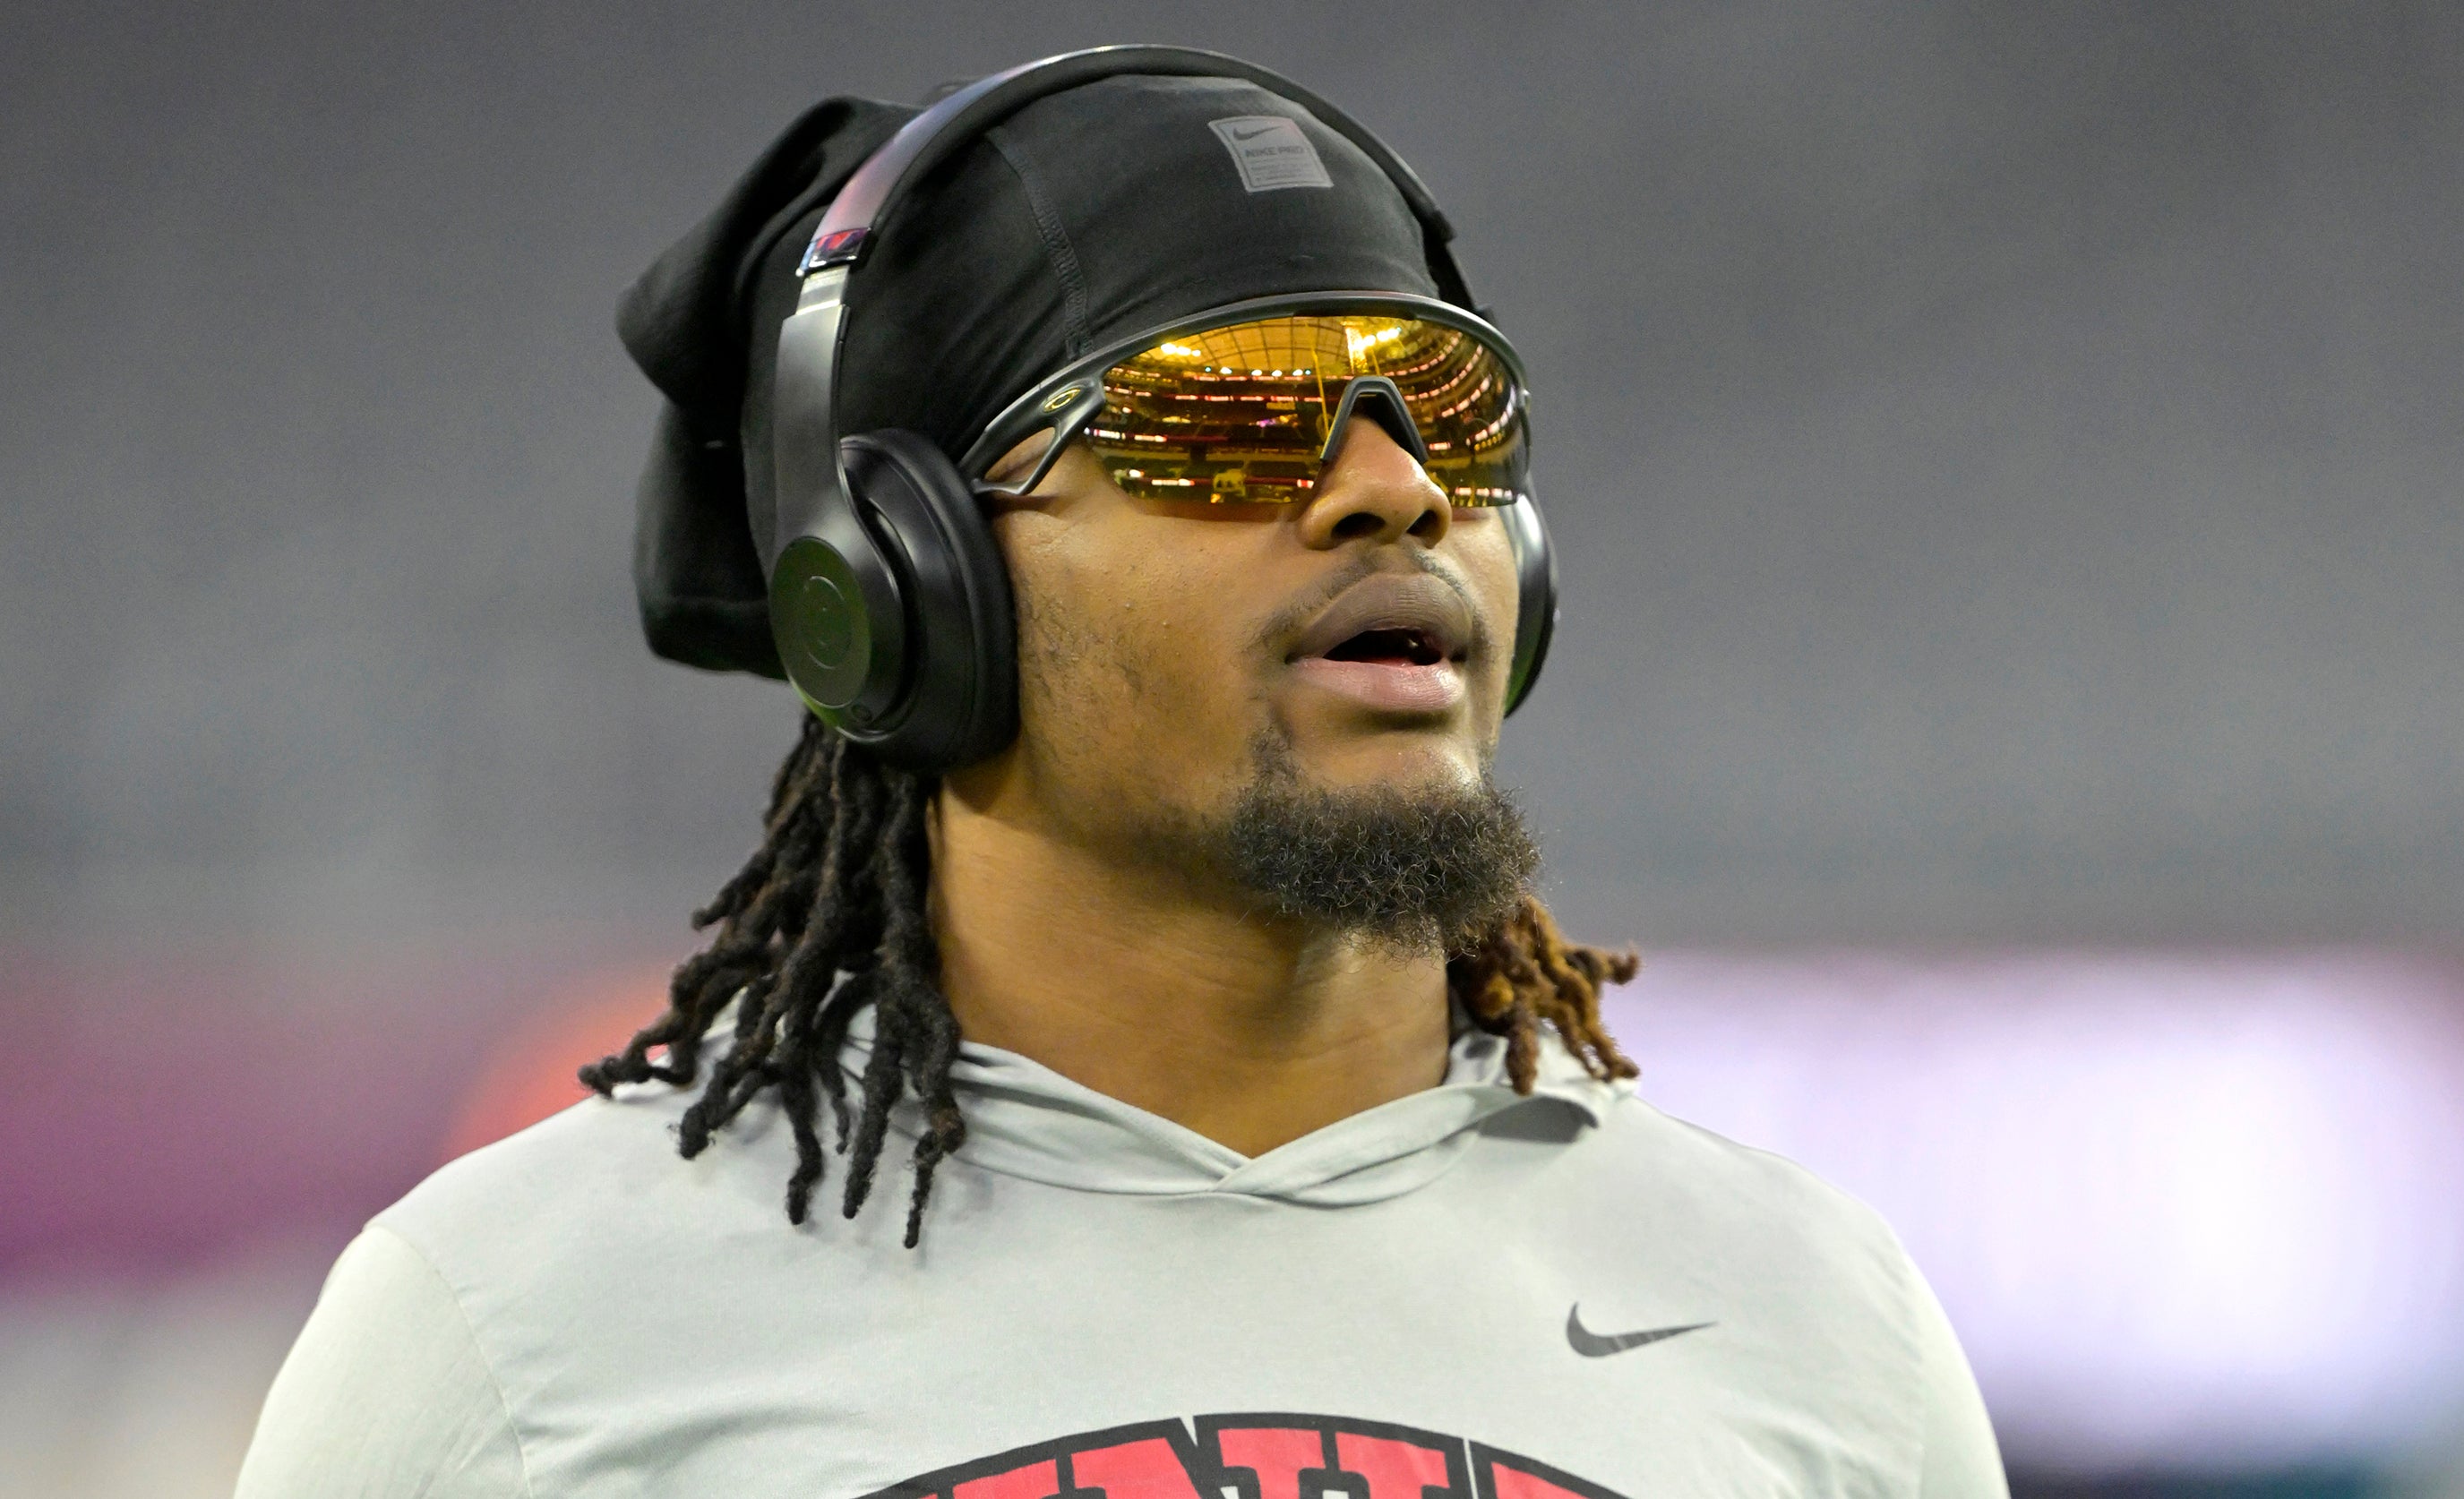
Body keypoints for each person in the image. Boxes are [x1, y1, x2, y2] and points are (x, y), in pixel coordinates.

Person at [235, 48, 2006, 1499]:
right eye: (1222, 417)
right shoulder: (512, 1333)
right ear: (905, 585)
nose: (1390, 490)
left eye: (1446, 414)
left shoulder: (1807, 1317)